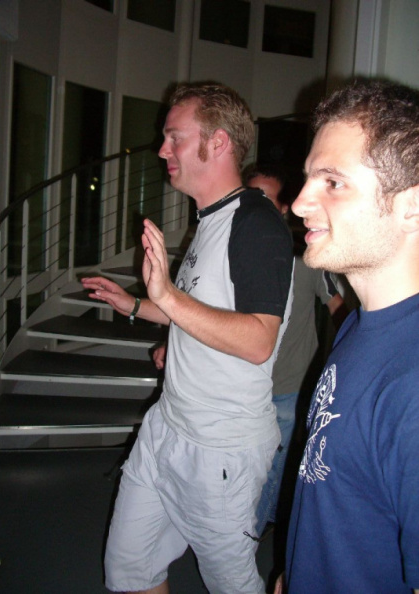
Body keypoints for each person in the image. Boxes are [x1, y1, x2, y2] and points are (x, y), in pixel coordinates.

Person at [82, 82, 293, 594]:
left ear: (217, 142)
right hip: (168, 426)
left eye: (174, 136)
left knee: (231, 585)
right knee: (130, 570)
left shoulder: (256, 224)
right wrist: (135, 304)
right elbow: (199, 312)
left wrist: (168, 296)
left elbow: (258, 341)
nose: (163, 150)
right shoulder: (210, 220)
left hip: (219, 448)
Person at [275, 79, 419, 594]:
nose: (299, 203)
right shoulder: (358, 325)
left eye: (333, 182)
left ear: (411, 206)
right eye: (308, 178)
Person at [244, 163, 347, 536]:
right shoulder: (232, 253)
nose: (257, 207)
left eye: (266, 199)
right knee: (240, 469)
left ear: (284, 208)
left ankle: (247, 541)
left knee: (271, 470)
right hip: (240, 387)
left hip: (288, 387)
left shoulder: (305, 257)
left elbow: (338, 308)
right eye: (250, 197)